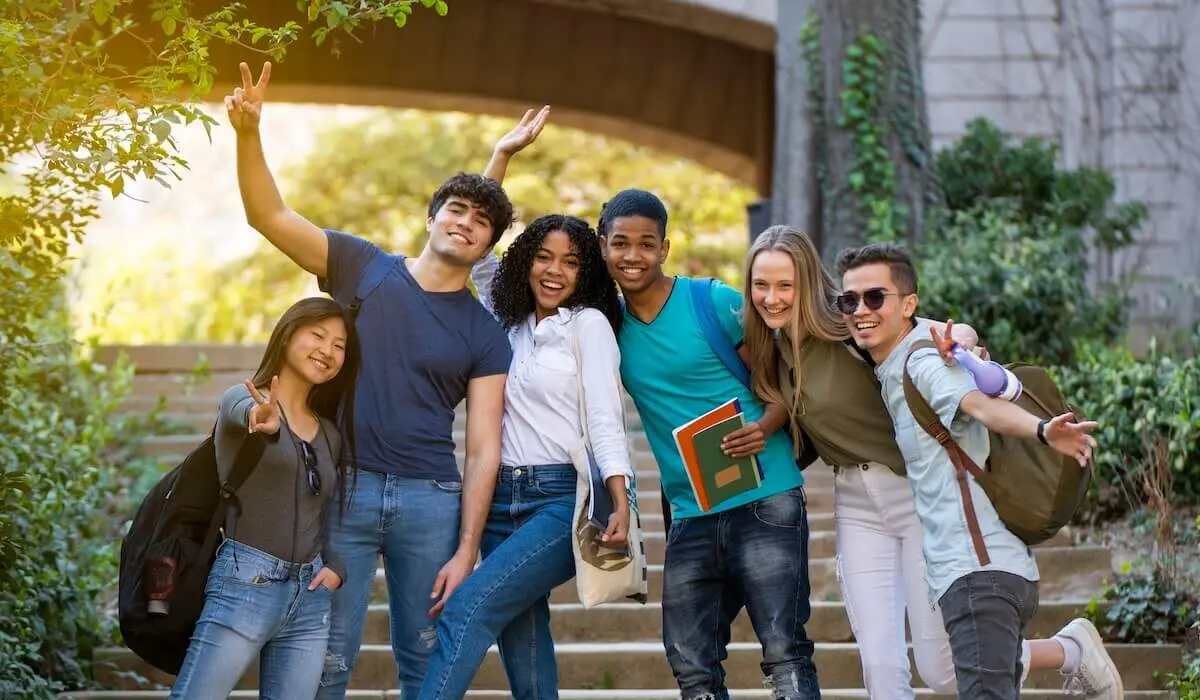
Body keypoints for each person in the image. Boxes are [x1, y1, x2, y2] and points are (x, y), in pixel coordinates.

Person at [224, 61, 524, 699]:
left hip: (431, 501)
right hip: (345, 489)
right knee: (327, 654)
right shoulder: (363, 267)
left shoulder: (484, 332)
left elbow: (482, 448)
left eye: (481, 222)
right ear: (431, 216)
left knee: (425, 658)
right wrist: (249, 134)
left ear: (487, 246)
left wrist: (467, 547)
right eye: (457, 209)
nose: (465, 222)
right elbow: (268, 215)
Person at [742, 226, 1126, 699]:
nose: (773, 297)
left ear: (808, 285)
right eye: (761, 285)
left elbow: (937, 335)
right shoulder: (769, 350)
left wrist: (963, 340)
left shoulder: (852, 323)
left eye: (786, 285)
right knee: (880, 667)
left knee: (942, 669)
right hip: (856, 503)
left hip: (915, 496)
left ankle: (1069, 649)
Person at [598, 190, 820, 700]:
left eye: (646, 244)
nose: (633, 255)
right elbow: (505, 286)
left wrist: (766, 426)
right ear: (603, 247)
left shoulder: (712, 301)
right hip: (690, 511)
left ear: (665, 248)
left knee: (784, 651)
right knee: (691, 664)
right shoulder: (605, 325)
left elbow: (792, 379)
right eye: (620, 244)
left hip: (765, 497)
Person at [418, 213, 633, 699]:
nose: (554, 271)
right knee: (525, 642)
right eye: (543, 256)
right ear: (526, 261)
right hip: (498, 502)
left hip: (560, 502)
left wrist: (619, 500)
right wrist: (500, 158)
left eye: (571, 262)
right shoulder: (507, 321)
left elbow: (605, 417)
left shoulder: (589, 325)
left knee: (466, 610)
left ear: (587, 273)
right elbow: (478, 253)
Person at [168, 297, 360, 699]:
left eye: (339, 345)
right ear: (288, 333)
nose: (327, 350)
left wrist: (336, 565)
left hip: (309, 599)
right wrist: (262, 419)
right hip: (246, 582)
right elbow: (243, 411)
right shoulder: (244, 399)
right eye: (318, 335)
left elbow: (322, 512)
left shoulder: (329, 434)